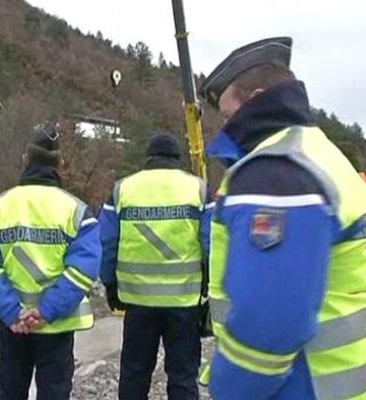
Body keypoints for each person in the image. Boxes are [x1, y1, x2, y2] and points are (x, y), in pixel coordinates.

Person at [197, 36, 366, 400]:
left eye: (227, 115)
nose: (225, 128)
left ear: (255, 99)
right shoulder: (318, 153)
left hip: (300, 386)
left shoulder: (275, 171)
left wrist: (230, 389)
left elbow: (269, 324)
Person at [0, 123, 101, 400]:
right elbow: (82, 271)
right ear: (60, 164)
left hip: (11, 326)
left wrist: (12, 311)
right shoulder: (78, 212)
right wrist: (45, 311)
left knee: (10, 393)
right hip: (56, 326)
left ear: (25, 160)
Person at [98, 132, 206, 400]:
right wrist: (209, 284)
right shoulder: (198, 189)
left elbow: (107, 242)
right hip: (184, 301)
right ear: (177, 159)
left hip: (137, 302)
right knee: (182, 376)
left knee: (134, 374)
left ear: (148, 158)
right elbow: (211, 243)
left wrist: (110, 283)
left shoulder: (122, 189)